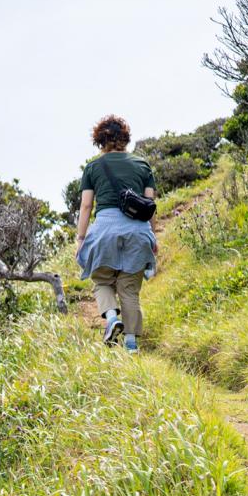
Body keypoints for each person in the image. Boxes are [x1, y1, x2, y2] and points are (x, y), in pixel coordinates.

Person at [74, 114, 156, 351]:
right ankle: (131, 345)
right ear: (126, 139)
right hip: (138, 231)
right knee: (129, 289)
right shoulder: (142, 165)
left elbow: (86, 206)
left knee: (101, 279)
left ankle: (111, 319)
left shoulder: (93, 168)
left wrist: (81, 239)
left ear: (99, 141)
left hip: (104, 230)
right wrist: (152, 236)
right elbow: (150, 204)